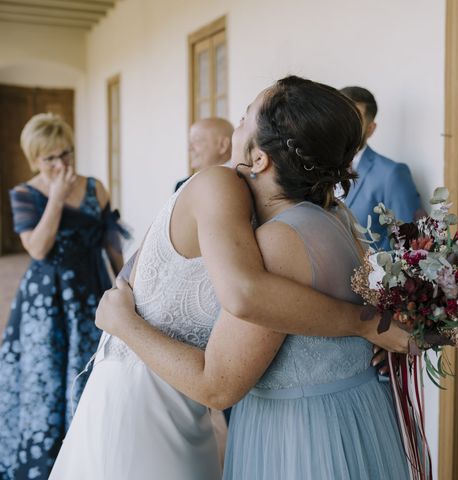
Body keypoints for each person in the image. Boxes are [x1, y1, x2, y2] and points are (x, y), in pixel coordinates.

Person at [49, 77, 410, 480]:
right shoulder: (226, 188)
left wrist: (367, 324)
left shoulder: (291, 216)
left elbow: (243, 293)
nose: (234, 129)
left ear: (260, 159)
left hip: (189, 395)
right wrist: (367, 325)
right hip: (140, 392)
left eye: (242, 119)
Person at [0, 113, 128, 480]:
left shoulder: (95, 187)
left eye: (65, 154)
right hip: (46, 302)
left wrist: (124, 285)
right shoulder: (24, 194)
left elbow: (112, 244)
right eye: (49, 158)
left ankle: (87, 458)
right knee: (46, 379)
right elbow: (38, 249)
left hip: (90, 291)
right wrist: (55, 198)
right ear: (34, 159)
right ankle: (46, 463)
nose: (60, 164)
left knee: (92, 373)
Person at [339, 86, 422, 249]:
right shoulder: (315, 168)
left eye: (354, 118)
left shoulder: (391, 174)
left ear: (370, 129)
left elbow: (407, 244)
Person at [175, 117, 234, 191]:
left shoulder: (243, 182)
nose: (190, 148)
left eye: (197, 140)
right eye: (190, 141)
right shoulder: (182, 185)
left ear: (223, 145)